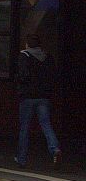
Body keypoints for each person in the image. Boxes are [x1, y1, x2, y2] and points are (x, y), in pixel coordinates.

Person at [16, 33, 61, 168]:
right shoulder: (48, 57)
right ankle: (55, 149)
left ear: (28, 44)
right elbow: (53, 75)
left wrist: (20, 83)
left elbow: (22, 75)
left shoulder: (24, 56)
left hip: (28, 97)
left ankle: (21, 158)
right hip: (44, 97)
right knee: (46, 124)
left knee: (24, 128)